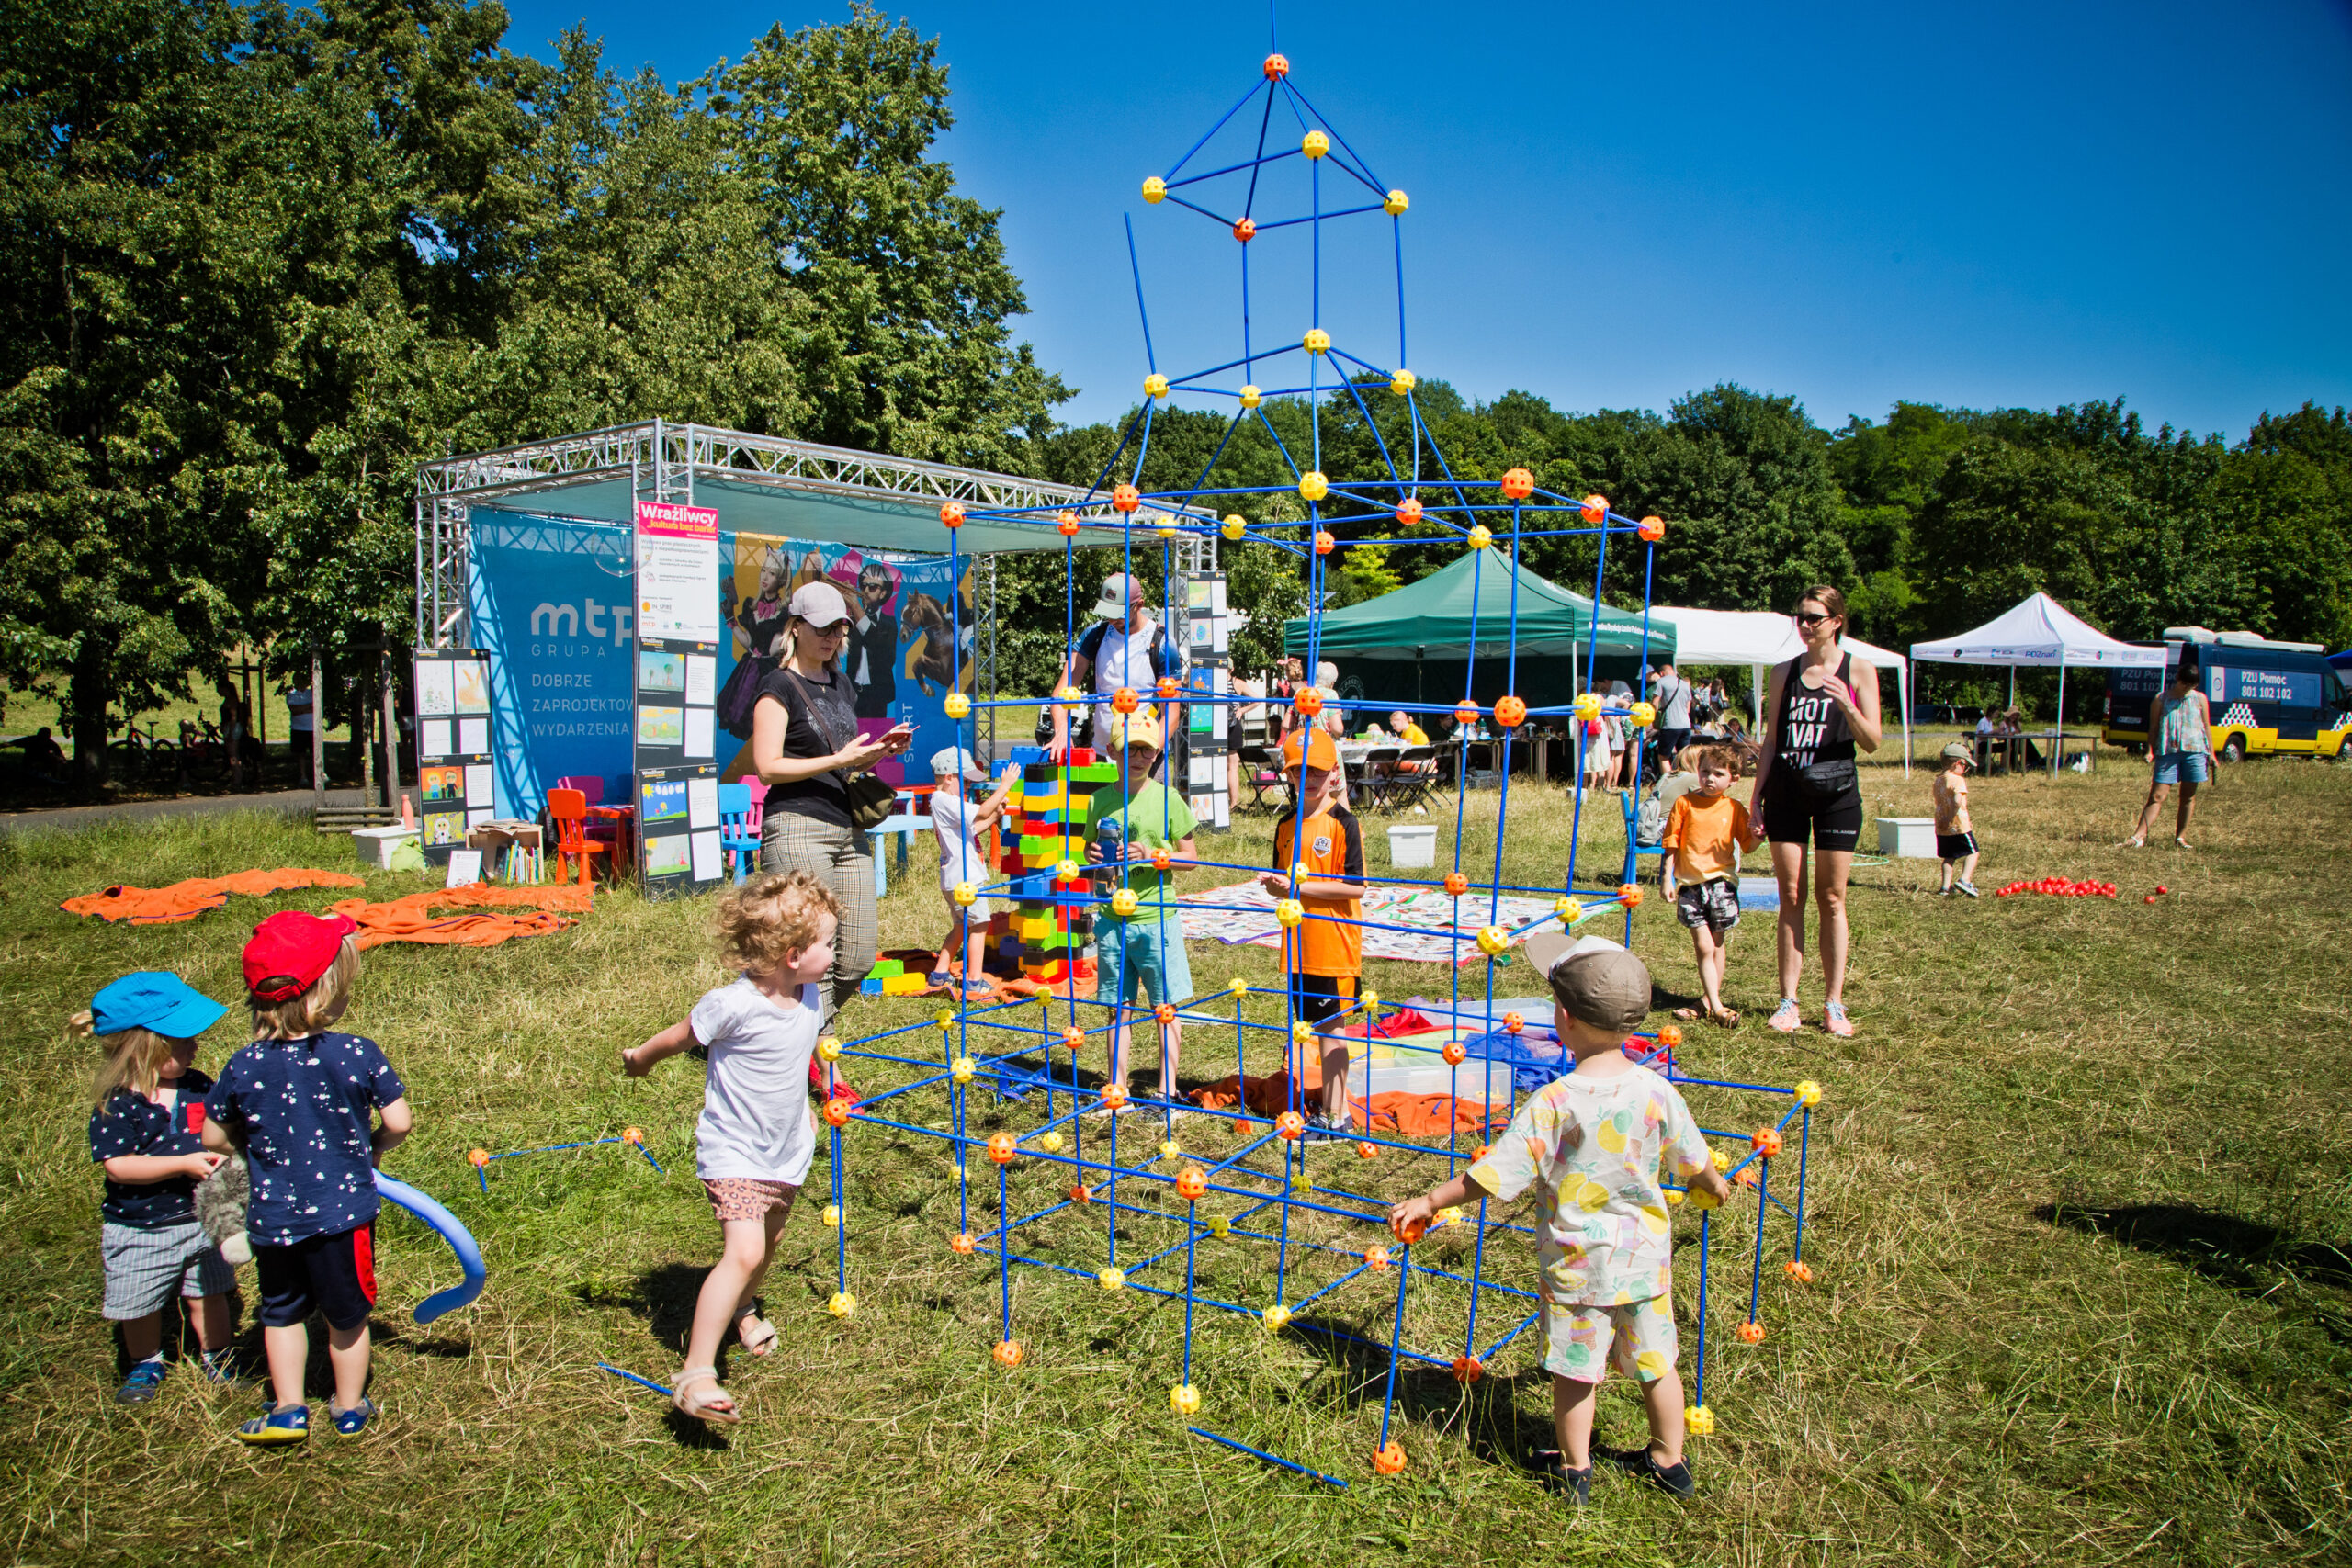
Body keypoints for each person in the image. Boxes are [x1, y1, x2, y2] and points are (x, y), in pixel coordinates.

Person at [1387, 935, 1733, 1504]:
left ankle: (1575, 1470)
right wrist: (1713, 1187)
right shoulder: (1657, 1089)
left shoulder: (1554, 1102)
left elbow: (1493, 1176)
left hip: (1576, 1267)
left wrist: (1430, 1201)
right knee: (1656, 1364)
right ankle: (1671, 1461)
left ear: (1563, 1018)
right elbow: (1695, 1162)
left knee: (1577, 1371)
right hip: (1645, 1261)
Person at [621, 872, 837, 1425]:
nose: (835, 954)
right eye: (828, 944)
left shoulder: (809, 995)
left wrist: (808, 1105)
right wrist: (641, 1058)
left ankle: (741, 1307)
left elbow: (797, 1055)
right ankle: (695, 1373)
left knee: (768, 1242)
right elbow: (679, 1037)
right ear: (793, 954)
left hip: (786, 1150)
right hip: (735, 1149)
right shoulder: (733, 1004)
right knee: (742, 1252)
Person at [203, 913, 412, 1446]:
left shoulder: (242, 1065)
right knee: (347, 1316)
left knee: (281, 1313)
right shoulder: (356, 1052)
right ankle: (348, 1407)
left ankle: (289, 1407)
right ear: (327, 994)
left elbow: (212, 1139)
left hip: (273, 1216)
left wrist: (251, 1147)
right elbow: (398, 1122)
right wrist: (373, 1150)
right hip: (346, 1213)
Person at [77, 973, 246, 1404]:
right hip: (141, 1227)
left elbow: (223, 1129)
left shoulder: (197, 1087)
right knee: (139, 1303)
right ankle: (146, 1362)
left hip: (200, 1220)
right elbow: (119, 1167)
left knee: (209, 1291)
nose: (195, 1046)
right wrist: (184, 1164)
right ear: (146, 1047)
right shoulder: (117, 1104)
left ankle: (217, 1354)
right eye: (183, 1040)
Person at [751, 580, 912, 1019]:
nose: (832, 638)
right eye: (822, 628)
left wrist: (874, 753)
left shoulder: (841, 683)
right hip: (797, 826)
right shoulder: (777, 686)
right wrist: (839, 758)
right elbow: (767, 766)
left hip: (848, 827)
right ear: (795, 627)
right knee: (807, 957)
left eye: (839, 628)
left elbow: (842, 762)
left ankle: (787, 1029)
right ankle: (819, 1058)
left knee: (858, 956)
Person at [1745, 586, 1882, 1039]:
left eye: (1815, 618)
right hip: (1786, 792)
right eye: (1800, 617)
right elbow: (1771, 741)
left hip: (1836, 794)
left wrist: (1846, 702)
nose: (1805, 625)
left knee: (1832, 897)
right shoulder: (1785, 671)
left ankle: (1834, 1003)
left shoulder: (1859, 669)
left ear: (1837, 621)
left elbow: (1873, 741)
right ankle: (1789, 1001)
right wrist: (1756, 797)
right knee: (1790, 894)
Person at [1083, 709, 1198, 1104]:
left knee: (1163, 1007)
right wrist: (1093, 854)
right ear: (1114, 751)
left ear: (1157, 754)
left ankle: (1167, 1091)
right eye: (1130, 748)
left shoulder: (1168, 799)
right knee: (1117, 1009)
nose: (1139, 756)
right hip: (1113, 920)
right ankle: (1118, 1089)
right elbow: (1086, 852)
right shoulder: (1099, 800)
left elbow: (1191, 857)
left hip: (1156, 920)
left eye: (1147, 750)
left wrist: (1153, 855)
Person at [1259, 729, 1367, 1139]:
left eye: (1318, 772)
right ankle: (1328, 1108)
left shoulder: (1344, 822)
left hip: (1334, 947)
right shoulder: (1286, 825)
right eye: (1300, 772)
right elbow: (1282, 878)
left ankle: (1337, 1114)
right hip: (1298, 948)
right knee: (1315, 1027)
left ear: (1334, 774)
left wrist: (1299, 888)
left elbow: (1356, 886)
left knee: (1332, 1029)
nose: (1309, 780)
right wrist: (1276, 886)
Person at [1663, 746, 1750, 1027]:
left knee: (1716, 944)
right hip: (1690, 885)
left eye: (1718, 773)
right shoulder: (1684, 803)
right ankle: (1716, 1005)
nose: (1709, 778)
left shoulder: (1734, 808)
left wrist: (1762, 830)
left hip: (1722, 884)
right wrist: (1667, 876)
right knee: (1704, 945)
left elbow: (1748, 845)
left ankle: (1708, 1002)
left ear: (1733, 779)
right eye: (1704, 772)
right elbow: (1671, 842)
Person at [1057, 574, 1185, 756]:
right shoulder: (1095, 634)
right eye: (1107, 613)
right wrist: (1062, 730)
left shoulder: (1162, 643)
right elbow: (1063, 690)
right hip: (1102, 754)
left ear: (1139, 605)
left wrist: (1149, 753)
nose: (1112, 620)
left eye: (1119, 614)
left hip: (1145, 756)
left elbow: (1171, 713)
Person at [929, 746, 1012, 995]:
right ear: (948, 777)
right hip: (965, 879)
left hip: (953, 878)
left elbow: (974, 829)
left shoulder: (943, 802)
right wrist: (1005, 785)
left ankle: (939, 973)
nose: (967, 787)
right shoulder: (945, 800)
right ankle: (974, 981)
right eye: (964, 781)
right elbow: (982, 810)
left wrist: (996, 815)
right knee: (979, 925)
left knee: (962, 926)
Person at [2124, 665, 2214, 849]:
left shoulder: (2200, 699)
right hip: (2168, 752)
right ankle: (2138, 836)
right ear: (2177, 679)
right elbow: (2154, 727)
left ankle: (2180, 838)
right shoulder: (2161, 699)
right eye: (2184, 684)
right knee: (2157, 795)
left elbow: (2206, 725)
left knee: (2188, 796)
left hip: (2195, 751)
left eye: (2191, 685)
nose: (2187, 688)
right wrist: (2149, 750)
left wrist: (2211, 753)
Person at [718, 547, 793, 739]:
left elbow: (775, 649)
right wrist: (730, 619)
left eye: (772, 573)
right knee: (744, 722)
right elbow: (749, 643)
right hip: (748, 671)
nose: (765, 577)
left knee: (767, 726)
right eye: (763, 570)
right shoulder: (751, 606)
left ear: (782, 580)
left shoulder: (785, 613)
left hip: (769, 673)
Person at [846, 559, 900, 719]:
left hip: (877, 695)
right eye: (863, 586)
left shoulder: (889, 624)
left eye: (872, 587)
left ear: (883, 593)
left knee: (876, 739)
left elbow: (876, 643)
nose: (865, 591)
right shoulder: (852, 620)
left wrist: (855, 607)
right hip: (852, 693)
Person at [1648, 746, 1703, 897]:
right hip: (1664, 830)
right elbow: (1709, 801)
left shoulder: (1668, 775)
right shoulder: (1692, 779)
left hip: (1649, 827)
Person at [1932, 741, 1980, 895]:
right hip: (1958, 825)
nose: (1965, 770)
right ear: (1957, 763)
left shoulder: (1938, 780)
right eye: (1965, 766)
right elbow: (1957, 801)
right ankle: (1965, 880)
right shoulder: (1958, 780)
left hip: (1942, 827)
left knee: (1948, 857)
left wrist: (1944, 819)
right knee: (1973, 852)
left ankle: (1945, 888)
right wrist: (1951, 817)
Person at [1647, 663, 1693, 781]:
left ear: (1661, 673)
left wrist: (1656, 714)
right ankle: (1685, 781)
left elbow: (1655, 702)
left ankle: (1668, 782)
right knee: (1684, 757)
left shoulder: (1661, 682)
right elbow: (1688, 708)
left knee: (1663, 756)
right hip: (1686, 725)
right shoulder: (1684, 684)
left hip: (1670, 725)